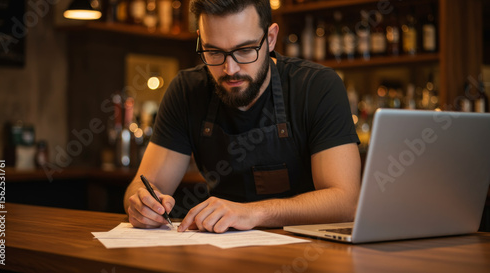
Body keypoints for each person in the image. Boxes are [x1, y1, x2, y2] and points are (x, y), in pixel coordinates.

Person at [124, 0, 361, 233]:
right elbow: (144, 185)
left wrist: (252, 213)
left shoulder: (317, 87)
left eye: (245, 50)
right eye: (214, 51)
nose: (230, 69)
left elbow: (345, 202)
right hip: (221, 251)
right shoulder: (187, 91)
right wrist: (141, 205)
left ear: (270, 38)